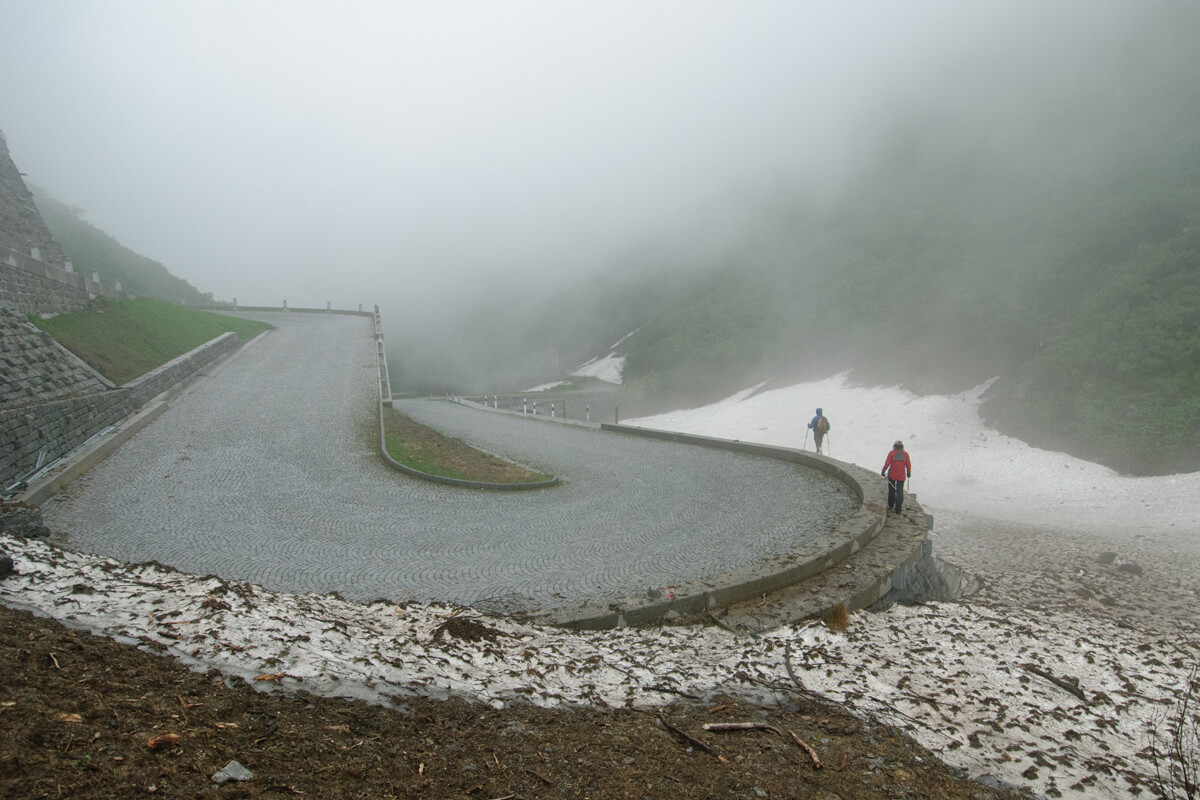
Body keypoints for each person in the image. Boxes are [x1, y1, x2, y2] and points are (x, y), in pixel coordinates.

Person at [881, 440, 912, 513]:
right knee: (900, 491)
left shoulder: (891, 453)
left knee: (892, 490)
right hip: (901, 475)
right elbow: (908, 464)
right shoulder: (905, 454)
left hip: (892, 475)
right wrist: (909, 472)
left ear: (894, 446)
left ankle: (891, 505)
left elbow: (887, 464)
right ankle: (898, 508)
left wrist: (883, 471)